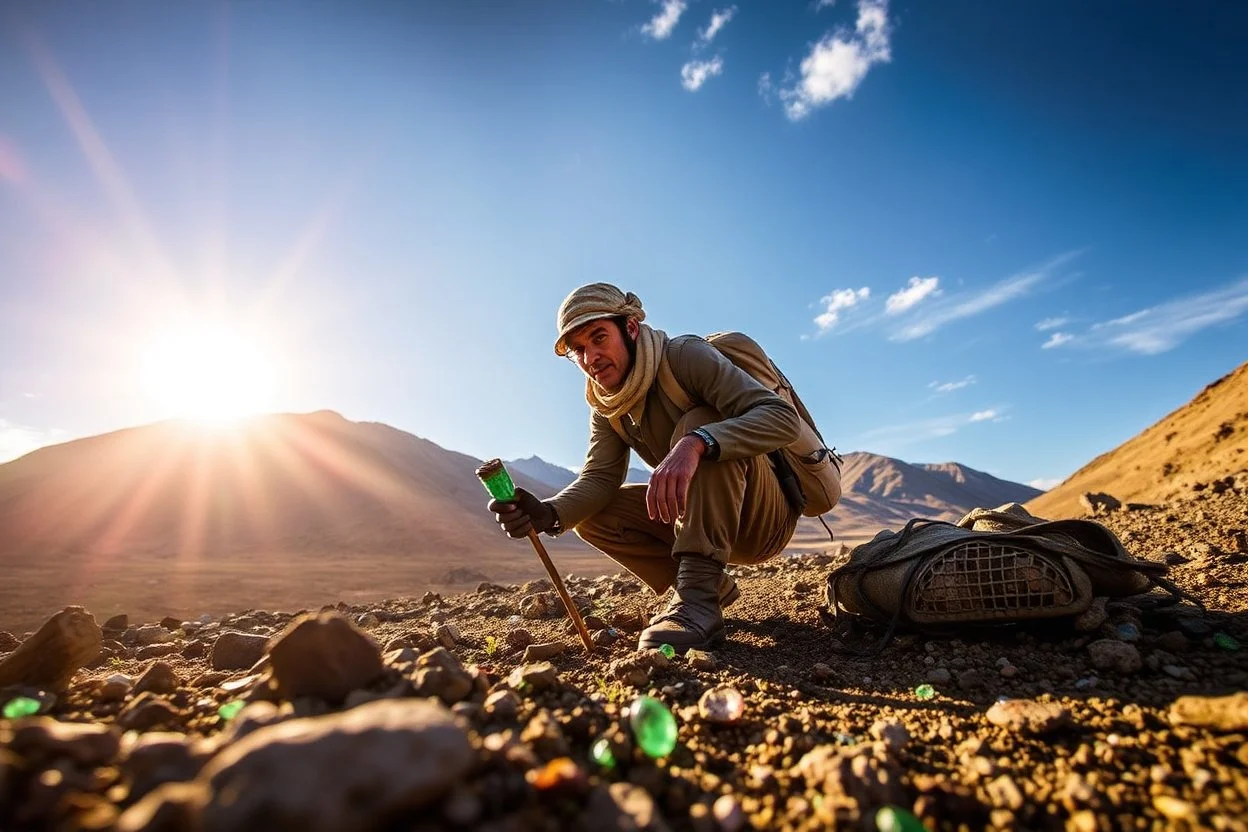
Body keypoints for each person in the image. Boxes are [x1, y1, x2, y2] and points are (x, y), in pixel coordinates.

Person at [487, 282, 807, 652]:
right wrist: (550, 512)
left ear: (631, 329)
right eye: (579, 350)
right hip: (707, 521)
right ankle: (707, 590)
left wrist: (698, 442)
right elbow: (600, 477)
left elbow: (782, 419)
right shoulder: (608, 406)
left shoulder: (685, 358)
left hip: (761, 518)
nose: (590, 357)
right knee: (592, 516)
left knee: (699, 422)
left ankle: (696, 602)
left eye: (599, 337)